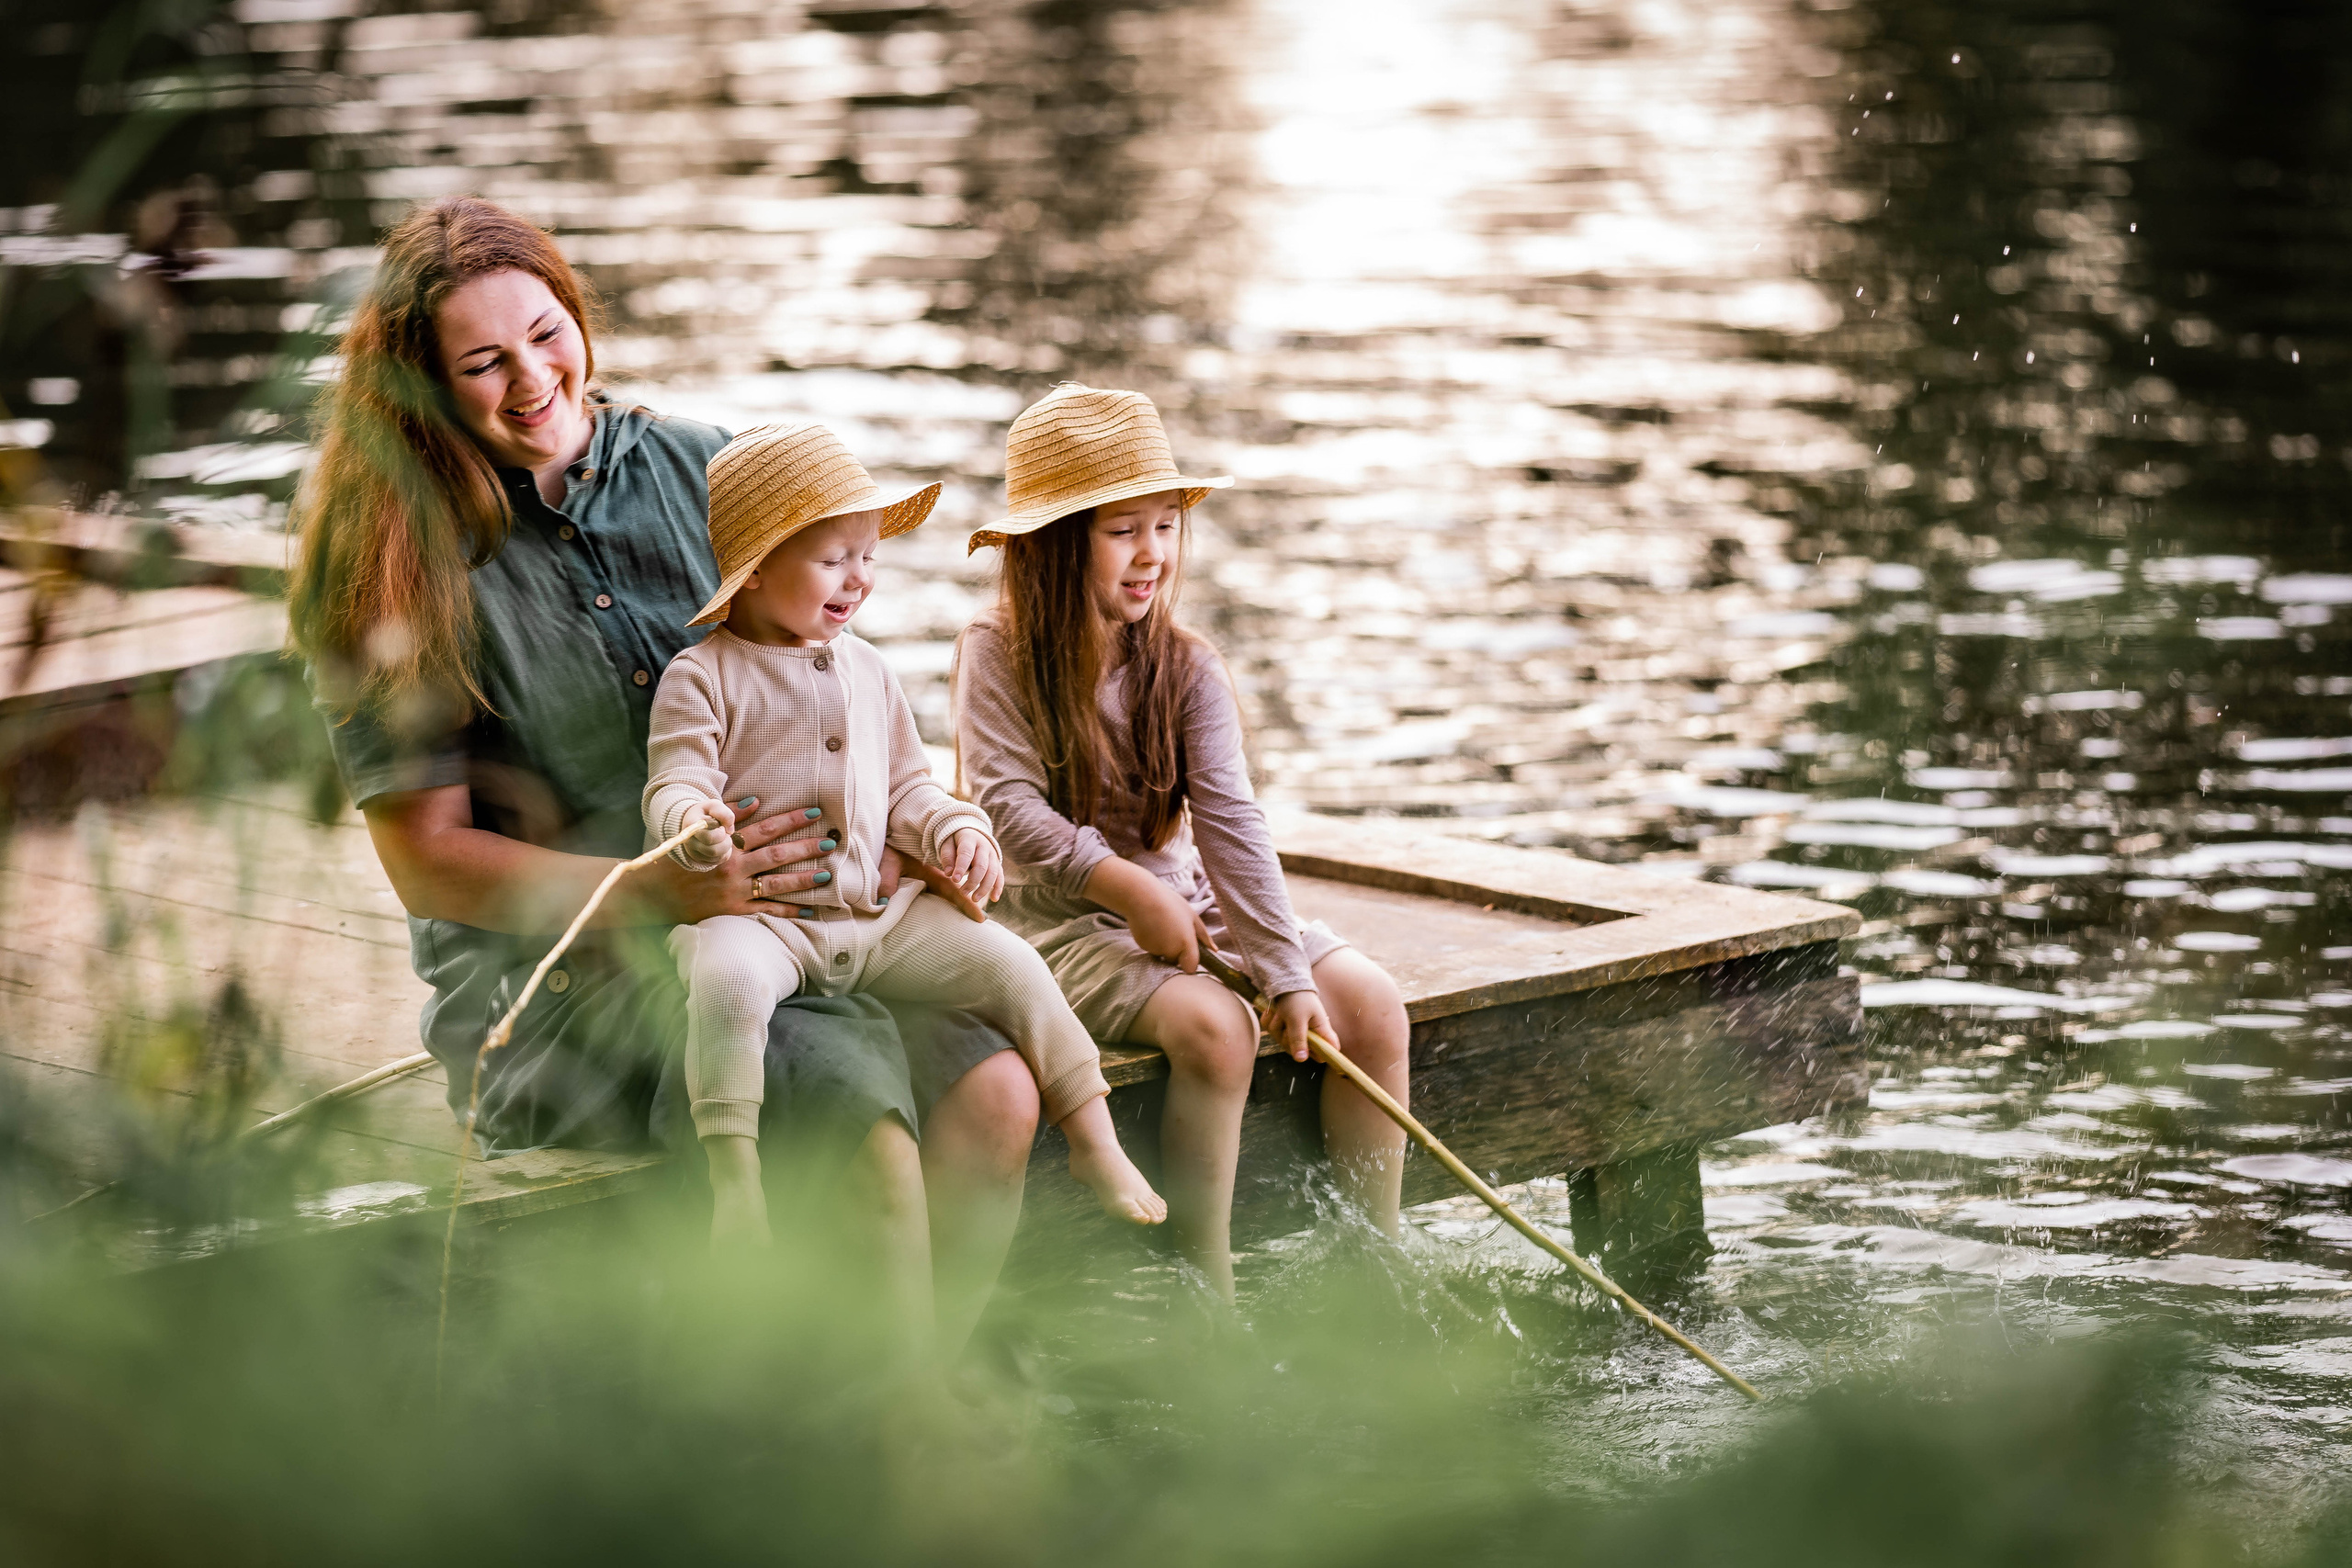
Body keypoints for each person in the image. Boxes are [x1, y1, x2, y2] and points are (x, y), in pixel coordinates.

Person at [286, 195, 1037, 1356]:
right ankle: (913, 1455)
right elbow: (426, 860)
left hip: (804, 935)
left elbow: (836, 674)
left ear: (577, 317)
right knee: (858, 1134)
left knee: (997, 1095)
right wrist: (655, 893)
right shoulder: (384, 557)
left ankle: (896, 1403)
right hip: (569, 988)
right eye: (482, 362)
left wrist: (900, 832)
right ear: (422, 389)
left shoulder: (703, 467)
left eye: (547, 334)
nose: (532, 379)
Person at [643, 421, 1166, 1244]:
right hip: (768, 925)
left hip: (879, 924)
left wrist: (960, 829)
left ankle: (1094, 1136)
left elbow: (910, 787)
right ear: (751, 575)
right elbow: (677, 777)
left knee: (1012, 962)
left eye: (868, 556)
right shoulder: (702, 676)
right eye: (832, 559)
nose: (859, 579)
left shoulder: (870, 669)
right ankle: (734, 1181)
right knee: (726, 987)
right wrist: (693, 823)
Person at [953, 384, 1413, 1298]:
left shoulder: (1186, 664)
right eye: (1123, 529)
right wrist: (1123, 887)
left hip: (1179, 894)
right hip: (1054, 926)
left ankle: (1376, 1265)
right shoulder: (993, 653)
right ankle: (1206, 1283)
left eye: (1165, 527)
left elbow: (1233, 824)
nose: (1152, 553)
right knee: (1214, 1027)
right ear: (1054, 543)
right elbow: (1005, 808)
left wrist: (1284, 970)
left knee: (1369, 1007)